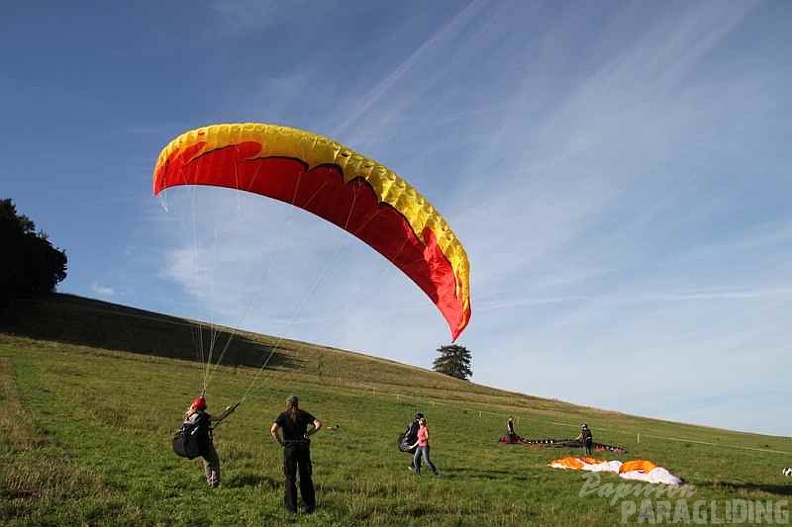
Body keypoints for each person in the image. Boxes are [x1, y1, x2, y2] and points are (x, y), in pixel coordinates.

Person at [270, 395, 323, 514]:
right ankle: (309, 506)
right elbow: (318, 424)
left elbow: (273, 430)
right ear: (297, 403)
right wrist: (308, 433)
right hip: (303, 447)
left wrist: (281, 443)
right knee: (305, 477)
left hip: (290, 448)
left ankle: (291, 508)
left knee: (290, 478)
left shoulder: (283, 416)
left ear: (287, 404)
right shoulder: (303, 414)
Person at [183, 395, 220, 488]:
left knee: (207, 461)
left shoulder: (189, 415)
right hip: (205, 443)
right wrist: (229, 411)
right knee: (214, 461)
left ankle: (209, 481)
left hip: (197, 444)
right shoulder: (203, 416)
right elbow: (218, 418)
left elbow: (193, 406)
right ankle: (214, 482)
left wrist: (200, 398)